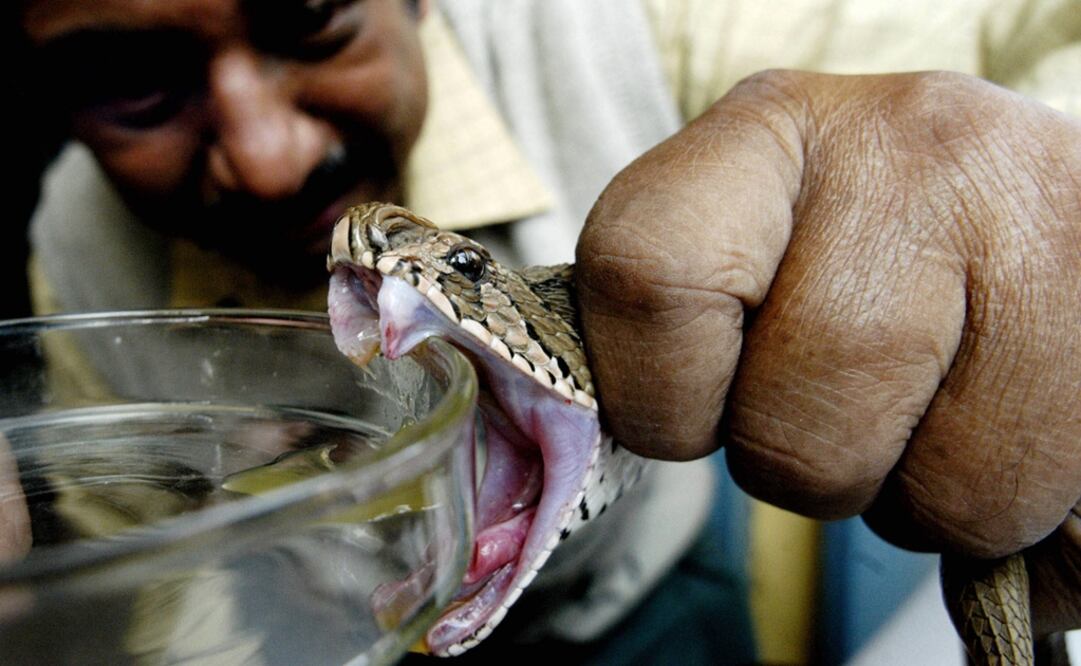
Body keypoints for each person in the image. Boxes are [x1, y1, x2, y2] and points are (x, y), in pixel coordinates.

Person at [16, 0, 1080, 661]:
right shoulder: (69, 244)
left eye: (310, 13)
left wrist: (1019, 197)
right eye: (134, 88)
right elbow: (148, 572)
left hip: (643, 598)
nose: (267, 157)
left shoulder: (621, 20)